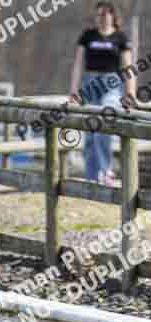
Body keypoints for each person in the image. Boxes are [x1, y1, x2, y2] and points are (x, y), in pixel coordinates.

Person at [69, 2, 136, 185]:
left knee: (104, 125)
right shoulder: (87, 36)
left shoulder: (120, 38)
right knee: (90, 132)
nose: (102, 18)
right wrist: (74, 90)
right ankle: (92, 177)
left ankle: (106, 171)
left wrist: (130, 92)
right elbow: (77, 64)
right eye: (99, 14)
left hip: (111, 83)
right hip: (89, 83)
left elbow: (128, 66)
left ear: (113, 16)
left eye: (106, 14)